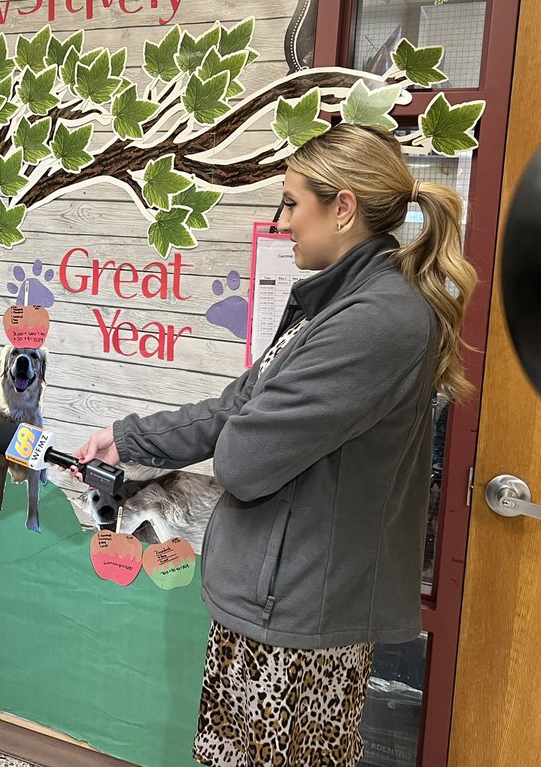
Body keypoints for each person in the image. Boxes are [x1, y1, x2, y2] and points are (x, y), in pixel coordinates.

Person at [74, 123, 477, 767]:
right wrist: (128, 439)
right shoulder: (333, 302)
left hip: (300, 611)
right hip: (276, 596)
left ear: (342, 206)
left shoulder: (377, 320)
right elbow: (240, 405)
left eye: (291, 202)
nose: (280, 220)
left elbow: (244, 460)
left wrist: (242, 428)